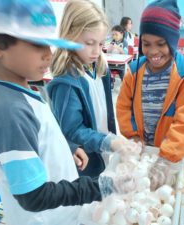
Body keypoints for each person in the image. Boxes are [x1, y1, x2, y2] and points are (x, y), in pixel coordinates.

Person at [0, 1, 135, 225]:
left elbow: (39, 135)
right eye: (37, 44)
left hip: (61, 213)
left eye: (49, 44)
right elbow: (33, 196)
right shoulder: (7, 111)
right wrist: (100, 187)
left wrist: (68, 148)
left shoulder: (20, 91)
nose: (48, 55)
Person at [116, 0, 184, 189]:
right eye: (146, 44)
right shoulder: (134, 72)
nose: (153, 51)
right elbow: (123, 107)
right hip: (145, 148)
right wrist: (133, 137)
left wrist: (166, 159)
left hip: (174, 154)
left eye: (161, 44)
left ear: (172, 42)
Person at [47, 0, 128, 178]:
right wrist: (108, 141)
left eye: (100, 44)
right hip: (85, 161)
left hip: (103, 150)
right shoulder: (66, 82)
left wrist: (111, 139)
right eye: (90, 43)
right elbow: (72, 130)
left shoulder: (99, 67)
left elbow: (105, 110)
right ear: (70, 37)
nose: (97, 51)